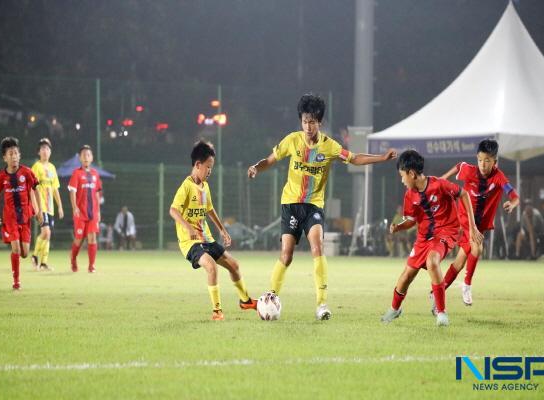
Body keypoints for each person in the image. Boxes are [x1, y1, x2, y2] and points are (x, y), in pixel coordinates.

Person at [247, 93, 397, 320]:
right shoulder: (292, 140)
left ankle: (321, 305)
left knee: (317, 247)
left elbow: (354, 158)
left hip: (314, 206)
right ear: (301, 121)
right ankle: (271, 295)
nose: (308, 126)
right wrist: (257, 168)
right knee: (286, 255)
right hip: (291, 204)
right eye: (305, 121)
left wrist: (382, 157)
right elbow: (270, 160)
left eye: (313, 121)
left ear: (320, 122)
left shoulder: (329, 146)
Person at [381, 150, 483, 326]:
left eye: (402, 176)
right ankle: (395, 309)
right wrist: (398, 227)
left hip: (446, 232)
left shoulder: (439, 184)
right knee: (407, 276)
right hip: (424, 238)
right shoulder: (410, 195)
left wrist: (472, 227)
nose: (402, 180)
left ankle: (441, 313)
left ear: (412, 173)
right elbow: (411, 221)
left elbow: (463, 194)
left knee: (432, 261)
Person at [170, 140, 257, 321]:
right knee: (211, 267)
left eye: (212, 167)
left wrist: (223, 230)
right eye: (208, 167)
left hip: (206, 238)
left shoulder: (205, 186)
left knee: (234, 265)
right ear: (197, 165)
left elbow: (209, 209)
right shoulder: (186, 186)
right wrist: (187, 227)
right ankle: (217, 311)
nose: (210, 171)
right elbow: (173, 210)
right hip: (190, 242)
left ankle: (245, 301)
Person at [438, 139, 519, 305]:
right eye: (480, 160)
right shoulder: (470, 171)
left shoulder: (499, 177)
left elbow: (515, 196)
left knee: (459, 263)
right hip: (464, 219)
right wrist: (444, 178)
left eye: (487, 161)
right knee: (478, 246)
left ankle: (437, 291)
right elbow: (460, 165)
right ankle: (467, 285)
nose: (483, 164)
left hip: (480, 224)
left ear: (494, 162)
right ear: (477, 158)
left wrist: (512, 204)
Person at [0, 137, 42, 290]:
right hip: (10, 218)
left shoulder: (27, 172)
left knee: (25, 253)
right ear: (4, 157)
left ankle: (19, 258)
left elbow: (36, 189)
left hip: (25, 217)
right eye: (10, 154)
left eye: (16, 153)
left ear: (19, 155)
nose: (14, 156)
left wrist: (39, 210)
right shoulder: (1, 177)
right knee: (16, 249)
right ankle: (16, 281)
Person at [31, 138, 64, 271]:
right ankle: (34, 256)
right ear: (39, 152)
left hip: (50, 208)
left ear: (50, 152)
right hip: (41, 206)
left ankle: (43, 263)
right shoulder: (36, 167)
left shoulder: (52, 168)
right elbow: (32, 188)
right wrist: (36, 207)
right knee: (46, 231)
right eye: (43, 148)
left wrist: (60, 206)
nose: (45, 151)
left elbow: (55, 188)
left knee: (48, 234)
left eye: (47, 148)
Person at [68, 145, 103, 273]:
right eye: (83, 155)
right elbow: (72, 191)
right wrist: (74, 207)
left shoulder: (95, 174)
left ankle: (91, 266)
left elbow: (97, 193)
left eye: (88, 155)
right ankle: (73, 259)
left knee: (92, 238)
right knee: (79, 239)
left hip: (92, 212)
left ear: (92, 158)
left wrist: (98, 211)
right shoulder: (76, 173)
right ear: (80, 158)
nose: (86, 157)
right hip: (80, 212)